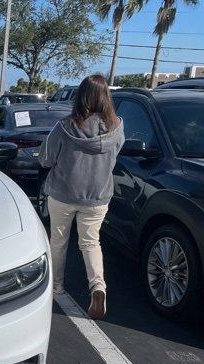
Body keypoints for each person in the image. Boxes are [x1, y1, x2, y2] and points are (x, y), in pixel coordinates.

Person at [38, 74, 125, 319]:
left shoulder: (65, 126)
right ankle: (98, 286)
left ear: (81, 96)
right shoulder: (117, 127)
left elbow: (46, 159)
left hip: (63, 193)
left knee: (59, 240)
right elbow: (115, 157)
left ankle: (57, 287)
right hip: (98, 196)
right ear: (106, 97)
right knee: (90, 242)